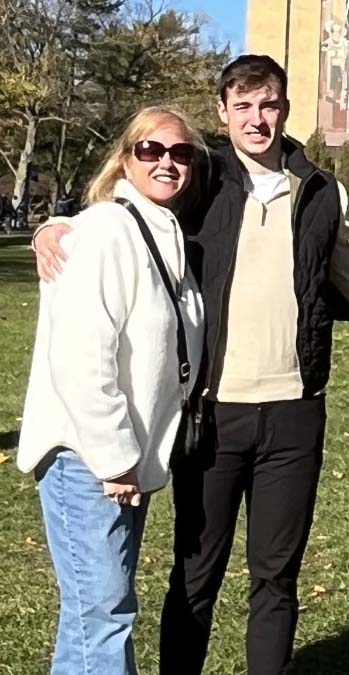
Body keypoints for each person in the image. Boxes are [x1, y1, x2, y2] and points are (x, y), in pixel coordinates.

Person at [35, 54, 349, 674]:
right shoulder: (202, 178)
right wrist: (56, 226)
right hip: (212, 415)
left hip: (295, 414)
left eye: (267, 104)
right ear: (223, 113)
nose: (256, 119)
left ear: (285, 108)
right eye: (241, 106)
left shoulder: (323, 192)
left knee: (276, 578)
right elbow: (128, 201)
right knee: (195, 576)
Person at [17, 105, 206, 674]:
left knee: (92, 617)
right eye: (151, 150)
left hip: (126, 461)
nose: (166, 162)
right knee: (103, 617)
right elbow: (81, 360)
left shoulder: (161, 228)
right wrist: (115, 459)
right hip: (89, 460)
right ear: (126, 158)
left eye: (180, 153)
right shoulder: (103, 231)